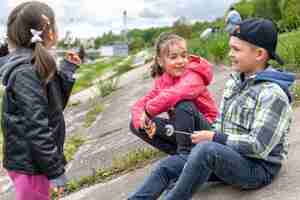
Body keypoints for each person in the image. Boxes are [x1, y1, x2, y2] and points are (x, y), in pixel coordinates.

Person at [156, 18, 295, 200]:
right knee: (167, 166)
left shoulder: (273, 93)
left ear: (260, 54)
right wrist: (207, 138)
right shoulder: (234, 82)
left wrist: (213, 138)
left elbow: (258, 146)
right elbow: (221, 123)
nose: (230, 54)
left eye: (236, 49)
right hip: (232, 155)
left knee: (206, 150)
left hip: (258, 169)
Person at [1, 1, 81, 200]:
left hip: (37, 161)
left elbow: (53, 108)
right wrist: (55, 170)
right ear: (50, 33)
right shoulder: (25, 72)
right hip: (32, 165)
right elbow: (37, 126)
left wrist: (68, 72)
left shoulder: (39, 63)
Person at [128, 32, 218, 199]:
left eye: (184, 55)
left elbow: (176, 94)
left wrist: (148, 111)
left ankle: (183, 158)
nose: (181, 61)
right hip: (185, 132)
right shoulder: (163, 81)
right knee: (135, 124)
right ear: (161, 62)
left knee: (183, 104)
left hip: (207, 128)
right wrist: (143, 120)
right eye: (174, 57)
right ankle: (180, 155)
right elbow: (140, 104)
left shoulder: (194, 75)